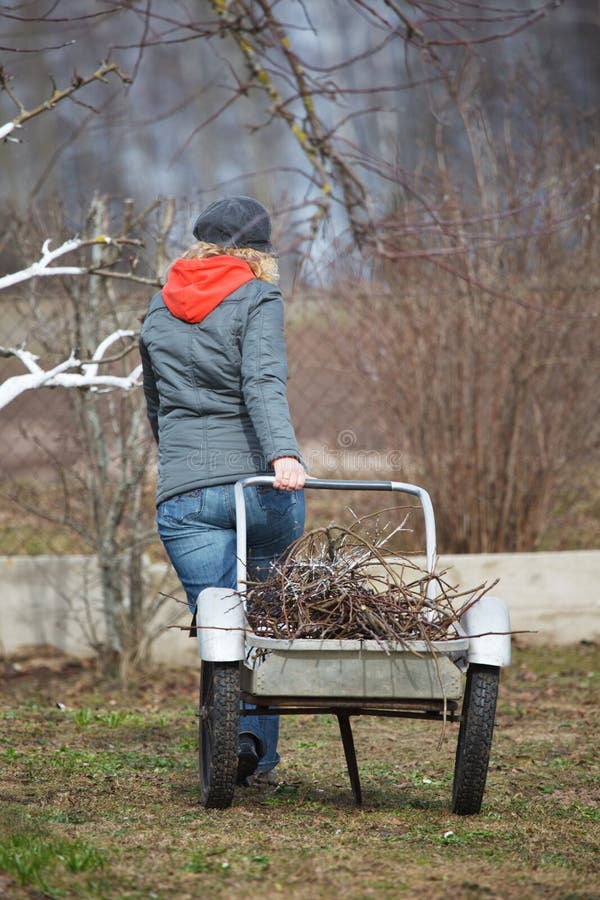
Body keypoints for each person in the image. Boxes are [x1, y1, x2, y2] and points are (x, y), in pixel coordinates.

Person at [139, 195, 306, 787]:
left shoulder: (158, 308)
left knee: (220, 625)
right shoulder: (257, 296)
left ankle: (234, 745)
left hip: (184, 495)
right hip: (257, 486)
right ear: (257, 250)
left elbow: (157, 405)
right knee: (261, 619)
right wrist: (283, 453)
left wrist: (183, 468)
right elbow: (262, 380)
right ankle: (253, 750)